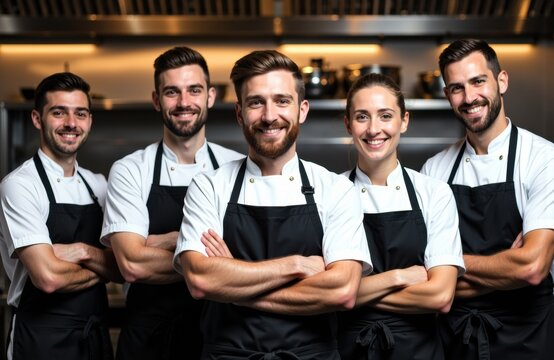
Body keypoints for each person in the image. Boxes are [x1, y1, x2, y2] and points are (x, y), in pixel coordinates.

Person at [173, 49, 372, 359]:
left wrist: (234, 283)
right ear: (239, 113)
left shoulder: (336, 189)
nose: (269, 116)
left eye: (282, 101)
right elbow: (201, 280)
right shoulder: (209, 186)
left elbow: (342, 290)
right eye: (256, 102)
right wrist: (297, 265)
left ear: (302, 110)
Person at [100, 46, 243, 360]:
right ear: (156, 100)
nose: (183, 103)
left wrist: (158, 243)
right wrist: (216, 264)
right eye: (171, 92)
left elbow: (253, 257)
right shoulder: (130, 170)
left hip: (220, 339)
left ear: (211, 96)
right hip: (148, 339)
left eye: (194, 90)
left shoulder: (237, 167)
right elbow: (133, 264)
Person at [421, 39, 554, 359]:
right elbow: (423, 275)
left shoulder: (543, 160)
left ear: (502, 81)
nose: (469, 98)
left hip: (529, 338)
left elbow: (532, 267)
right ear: (447, 96)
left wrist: (449, 266)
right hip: (455, 340)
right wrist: (507, 269)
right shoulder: (434, 170)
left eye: (478, 81)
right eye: (456, 88)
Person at [337, 73, 465, 359]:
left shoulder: (434, 193)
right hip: (348, 350)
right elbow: (325, 293)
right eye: (361, 117)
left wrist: (352, 294)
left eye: (385, 116)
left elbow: (441, 296)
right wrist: (398, 277)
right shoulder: (330, 193)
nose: (373, 129)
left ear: (403, 121)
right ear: (347, 124)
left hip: (419, 351)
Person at [0, 72, 122, 359]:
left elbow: (122, 268)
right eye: (59, 112)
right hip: (40, 340)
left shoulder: (98, 185)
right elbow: (48, 278)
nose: (71, 123)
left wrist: (82, 251)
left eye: (80, 113)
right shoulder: (20, 185)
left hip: (94, 336)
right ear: (37, 119)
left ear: (90, 121)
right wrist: (103, 267)